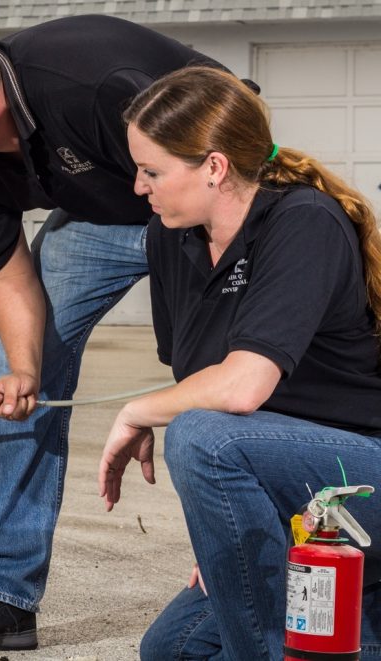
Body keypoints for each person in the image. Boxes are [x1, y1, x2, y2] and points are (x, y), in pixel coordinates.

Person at [0, 15, 240, 654]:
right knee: (9, 380)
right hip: (101, 221)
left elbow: (219, 175)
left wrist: (189, 375)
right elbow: (7, 271)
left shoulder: (94, 87)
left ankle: (252, 563)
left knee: (220, 377)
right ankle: (0, 596)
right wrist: (25, 371)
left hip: (207, 203)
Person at [99, 65, 381, 660]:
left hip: (360, 481)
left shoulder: (303, 221)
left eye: (152, 171)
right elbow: (199, 381)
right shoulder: (169, 237)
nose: (138, 186)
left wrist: (136, 411)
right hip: (300, 505)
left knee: (203, 436)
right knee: (172, 650)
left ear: (214, 166)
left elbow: (241, 388)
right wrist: (225, 539)